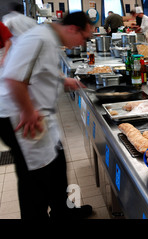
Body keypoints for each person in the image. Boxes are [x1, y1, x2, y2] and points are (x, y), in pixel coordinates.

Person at [0, 11, 94, 220]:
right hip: (21, 117)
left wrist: (64, 82)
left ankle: (63, 210)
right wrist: (27, 111)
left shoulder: (49, 38)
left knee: (57, 164)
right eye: (84, 38)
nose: (82, 43)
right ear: (72, 29)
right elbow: (13, 78)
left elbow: (38, 72)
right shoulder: (39, 38)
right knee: (36, 180)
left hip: (38, 113)